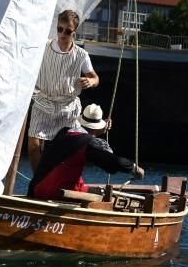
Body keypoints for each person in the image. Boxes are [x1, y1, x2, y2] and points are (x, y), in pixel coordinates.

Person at [27, 10, 99, 171]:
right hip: (43, 102)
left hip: (67, 108)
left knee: (60, 151)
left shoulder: (81, 55)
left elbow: (95, 78)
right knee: (33, 145)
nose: (62, 34)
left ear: (75, 31)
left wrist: (91, 81)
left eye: (67, 31)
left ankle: (51, 182)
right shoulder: (43, 46)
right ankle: (38, 181)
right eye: (60, 29)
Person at [28, 103, 143, 200]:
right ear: (96, 127)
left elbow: (88, 136)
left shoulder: (62, 133)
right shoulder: (87, 143)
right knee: (104, 196)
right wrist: (133, 168)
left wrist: (97, 132)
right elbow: (114, 163)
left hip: (37, 190)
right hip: (61, 193)